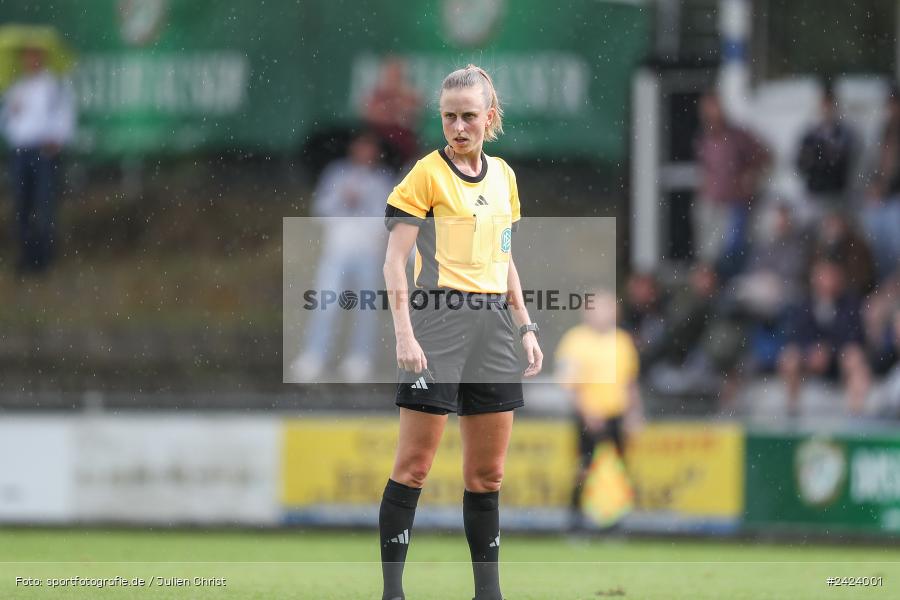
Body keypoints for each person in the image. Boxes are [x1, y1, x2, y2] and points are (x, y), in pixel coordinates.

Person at [379, 65, 542, 600]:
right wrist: (405, 334)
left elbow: (505, 258)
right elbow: (394, 262)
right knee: (416, 465)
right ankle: (393, 592)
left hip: (494, 326)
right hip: (438, 322)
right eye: (449, 117)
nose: (458, 127)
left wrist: (524, 326)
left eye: (469, 116)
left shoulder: (504, 177)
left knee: (488, 476)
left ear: (489, 117)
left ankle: (487, 595)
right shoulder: (425, 174)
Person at [289, 131, 394, 382]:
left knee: (365, 308)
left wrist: (365, 205)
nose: (365, 154)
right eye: (361, 147)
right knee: (325, 304)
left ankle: (360, 359)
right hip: (337, 251)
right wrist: (342, 198)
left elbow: (387, 219)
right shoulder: (337, 174)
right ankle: (314, 356)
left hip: (368, 253)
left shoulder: (382, 180)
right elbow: (320, 210)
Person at [555, 290, 642, 531]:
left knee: (618, 470)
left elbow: (630, 382)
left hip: (617, 415)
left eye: (608, 308)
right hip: (588, 416)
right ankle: (577, 520)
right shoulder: (575, 340)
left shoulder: (622, 341)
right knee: (585, 467)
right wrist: (587, 412)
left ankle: (615, 521)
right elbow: (571, 385)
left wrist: (634, 414)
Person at [1, 45, 76, 274]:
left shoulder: (52, 85)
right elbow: (6, 123)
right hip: (21, 152)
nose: (30, 60)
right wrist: (11, 112)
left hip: (43, 152)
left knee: (45, 204)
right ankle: (26, 256)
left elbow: (65, 115)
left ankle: (44, 258)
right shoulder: (16, 86)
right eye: (27, 56)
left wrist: (57, 139)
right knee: (22, 206)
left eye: (35, 55)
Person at [778, 259, 870, 416]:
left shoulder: (851, 303)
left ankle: (856, 413)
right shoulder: (804, 303)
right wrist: (810, 351)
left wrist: (829, 351)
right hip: (810, 360)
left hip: (838, 362)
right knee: (789, 357)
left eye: (831, 275)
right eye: (823, 275)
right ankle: (792, 411)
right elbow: (795, 335)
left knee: (854, 357)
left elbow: (854, 337)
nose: (827, 281)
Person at [695, 90, 769, 280]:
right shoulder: (704, 139)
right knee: (709, 254)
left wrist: (752, 176)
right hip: (711, 202)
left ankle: (731, 287)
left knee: (733, 252)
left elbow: (764, 157)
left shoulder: (738, 136)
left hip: (735, 204)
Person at [795, 84, 855, 216]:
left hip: (838, 195)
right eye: (824, 105)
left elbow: (846, 163)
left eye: (829, 106)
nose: (826, 110)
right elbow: (801, 163)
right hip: (814, 194)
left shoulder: (845, 134)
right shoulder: (810, 135)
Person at [862, 86, 900, 280]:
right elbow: (874, 164)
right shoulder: (883, 130)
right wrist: (873, 186)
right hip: (881, 199)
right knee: (876, 245)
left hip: (895, 198)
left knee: (895, 246)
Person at [364, 56, 422, 171]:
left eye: (396, 74)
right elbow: (371, 116)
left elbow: (409, 121)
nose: (392, 78)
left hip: (400, 148)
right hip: (380, 144)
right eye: (389, 74)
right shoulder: (377, 95)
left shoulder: (410, 96)